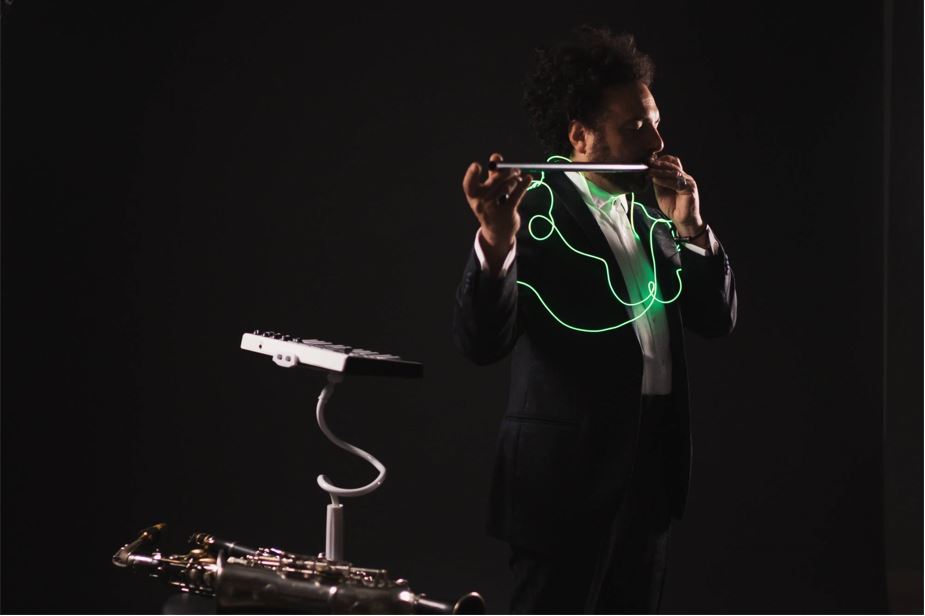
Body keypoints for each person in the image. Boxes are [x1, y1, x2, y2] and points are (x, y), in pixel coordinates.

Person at [452, 26, 737, 614]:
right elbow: (481, 342)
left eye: (655, 123)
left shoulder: (654, 215)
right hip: (561, 487)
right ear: (580, 136)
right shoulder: (534, 213)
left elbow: (716, 319)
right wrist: (496, 241)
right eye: (635, 127)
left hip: (650, 479)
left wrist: (690, 226)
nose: (657, 141)